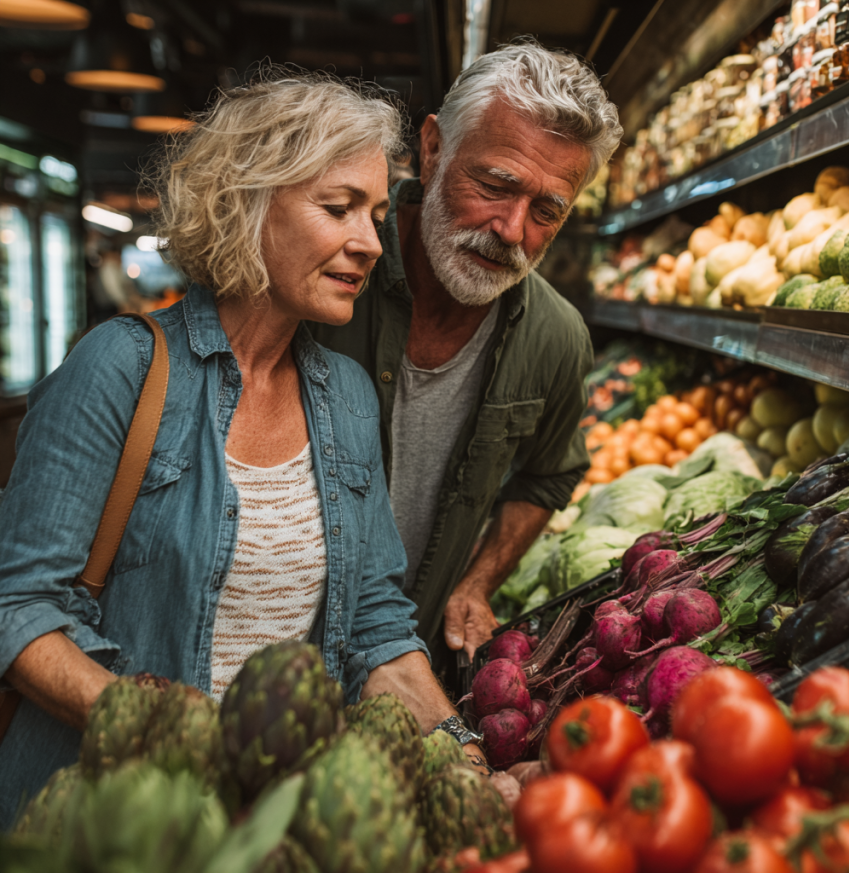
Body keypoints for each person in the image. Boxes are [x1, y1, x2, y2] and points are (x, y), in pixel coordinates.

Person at [0, 70, 495, 829]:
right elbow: (18, 603)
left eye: (373, 213)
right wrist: (159, 727)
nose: (368, 242)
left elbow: (372, 626)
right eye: (338, 209)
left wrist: (464, 756)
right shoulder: (121, 369)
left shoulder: (346, 399)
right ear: (247, 204)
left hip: (268, 826)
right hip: (108, 819)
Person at [309, 40, 623, 669]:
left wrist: (479, 579)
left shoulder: (556, 340)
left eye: (547, 210)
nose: (511, 230)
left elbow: (550, 473)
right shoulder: (324, 275)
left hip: (411, 672)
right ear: (431, 149)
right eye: (494, 185)